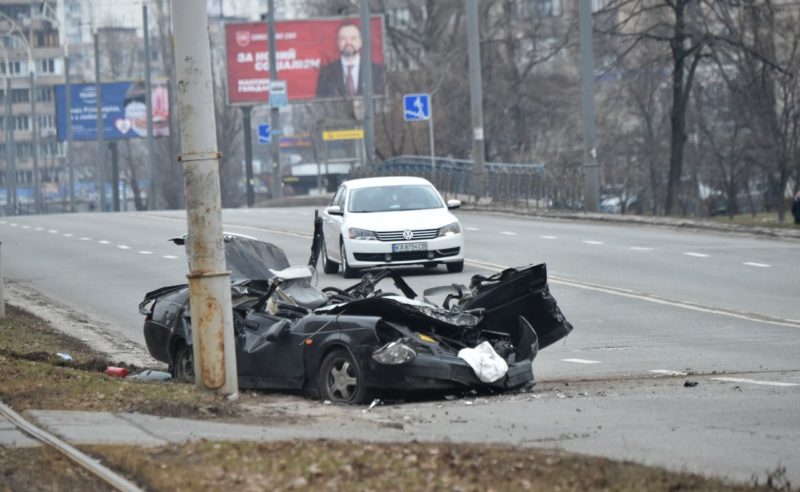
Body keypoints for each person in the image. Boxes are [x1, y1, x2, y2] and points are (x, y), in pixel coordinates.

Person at [316, 23, 385, 98]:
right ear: (338, 43)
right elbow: (321, 104)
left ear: (360, 42)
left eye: (353, 38)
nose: (348, 42)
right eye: (343, 38)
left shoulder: (376, 71)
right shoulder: (326, 73)